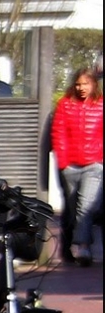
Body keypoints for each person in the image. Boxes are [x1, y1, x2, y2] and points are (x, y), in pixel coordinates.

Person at [49, 65, 101, 266]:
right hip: (69, 166)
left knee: (85, 207)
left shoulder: (101, 104)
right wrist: (63, 163)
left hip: (94, 165)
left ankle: (84, 247)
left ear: (93, 84)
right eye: (78, 84)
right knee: (71, 211)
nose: (81, 88)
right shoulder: (65, 105)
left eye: (86, 84)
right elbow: (58, 134)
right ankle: (67, 245)